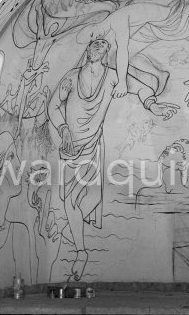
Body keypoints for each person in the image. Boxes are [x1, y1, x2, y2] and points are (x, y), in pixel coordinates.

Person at [48, 38, 178, 279]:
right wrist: (63, 128)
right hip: (70, 146)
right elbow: (54, 105)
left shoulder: (112, 77)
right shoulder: (71, 76)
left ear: (107, 55)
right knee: (68, 200)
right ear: (87, 50)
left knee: (85, 198)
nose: (97, 48)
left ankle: (79, 246)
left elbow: (139, 87)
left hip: (92, 144)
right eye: (94, 45)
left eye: (102, 47)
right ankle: (80, 250)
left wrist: (153, 106)